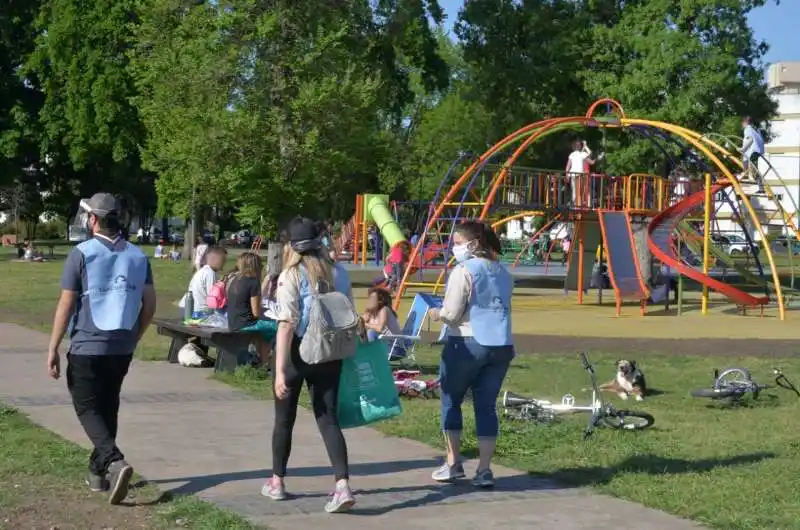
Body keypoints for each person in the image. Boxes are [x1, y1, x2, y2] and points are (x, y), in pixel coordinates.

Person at [46, 193, 157, 504]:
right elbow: (150, 304)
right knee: (107, 406)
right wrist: (136, 335)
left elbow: (66, 303)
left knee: (86, 406)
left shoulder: (81, 253)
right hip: (121, 345)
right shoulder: (138, 256)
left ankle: (115, 460)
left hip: (87, 344)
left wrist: (53, 347)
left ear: (92, 219)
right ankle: (99, 474)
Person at [262, 216, 355, 513]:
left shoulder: (291, 275)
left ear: (292, 245)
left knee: (284, 420)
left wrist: (278, 371)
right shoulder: (339, 272)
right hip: (330, 353)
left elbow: (286, 324)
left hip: (297, 353)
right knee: (328, 419)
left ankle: (277, 481)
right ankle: (342, 486)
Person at [428, 220, 514, 489]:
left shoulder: (463, 270)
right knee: (486, 406)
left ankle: (453, 463)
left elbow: (452, 314)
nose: (454, 247)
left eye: (456, 242)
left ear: (473, 243)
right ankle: (485, 469)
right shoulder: (502, 271)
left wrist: (435, 313)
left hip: (466, 341)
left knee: (451, 400)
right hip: (501, 344)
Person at [226, 252, 276, 364]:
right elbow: (256, 313)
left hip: (233, 321)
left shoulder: (234, 280)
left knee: (262, 329)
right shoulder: (253, 283)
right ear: (256, 266)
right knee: (273, 327)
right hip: (246, 324)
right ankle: (264, 362)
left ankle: (257, 358)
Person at [184, 246, 227, 317]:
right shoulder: (210, 273)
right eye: (224, 260)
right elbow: (213, 298)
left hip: (194, 309)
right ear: (217, 260)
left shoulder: (203, 271)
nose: (225, 263)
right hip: (201, 313)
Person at [565, 140, 595, 207]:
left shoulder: (571, 154)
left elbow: (568, 167)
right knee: (581, 190)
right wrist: (597, 159)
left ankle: (575, 205)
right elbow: (591, 162)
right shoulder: (583, 154)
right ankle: (579, 205)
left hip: (572, 174)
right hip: (580, 175)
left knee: (574, 190)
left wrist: (567, 175)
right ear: (581, 147)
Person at [739, 116, 765, 193]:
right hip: (756, 151)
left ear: (745, 123)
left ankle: (761, 188)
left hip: (753, 152)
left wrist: (742, 149)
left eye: (742, 123)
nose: (742, 125)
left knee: (754, 170)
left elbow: (749, 140)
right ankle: (746, 173)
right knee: (745, 161)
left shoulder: (748, 129)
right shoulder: (754, 130)